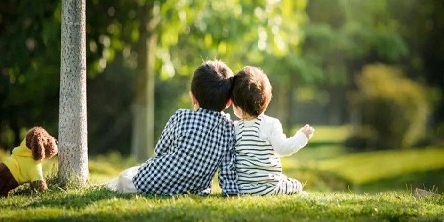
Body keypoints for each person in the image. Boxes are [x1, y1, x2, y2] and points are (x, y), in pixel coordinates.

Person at [106, 60, 239, 196]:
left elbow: (160, 150)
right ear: (229, 102)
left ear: (192, 97)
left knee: (127, 177)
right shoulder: (228, 129)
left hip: (147, 181)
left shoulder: (181, 116)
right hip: (194, 190)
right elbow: (227, 169)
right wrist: (230, 192)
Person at [231, 66, 314, 195]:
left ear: (238, 107)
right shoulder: (271, 124)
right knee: (295, 184)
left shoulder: (234, 128)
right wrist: (301, 137)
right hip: (269, 188)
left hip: (242, 189)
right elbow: (283, 148)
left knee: (284, 179)